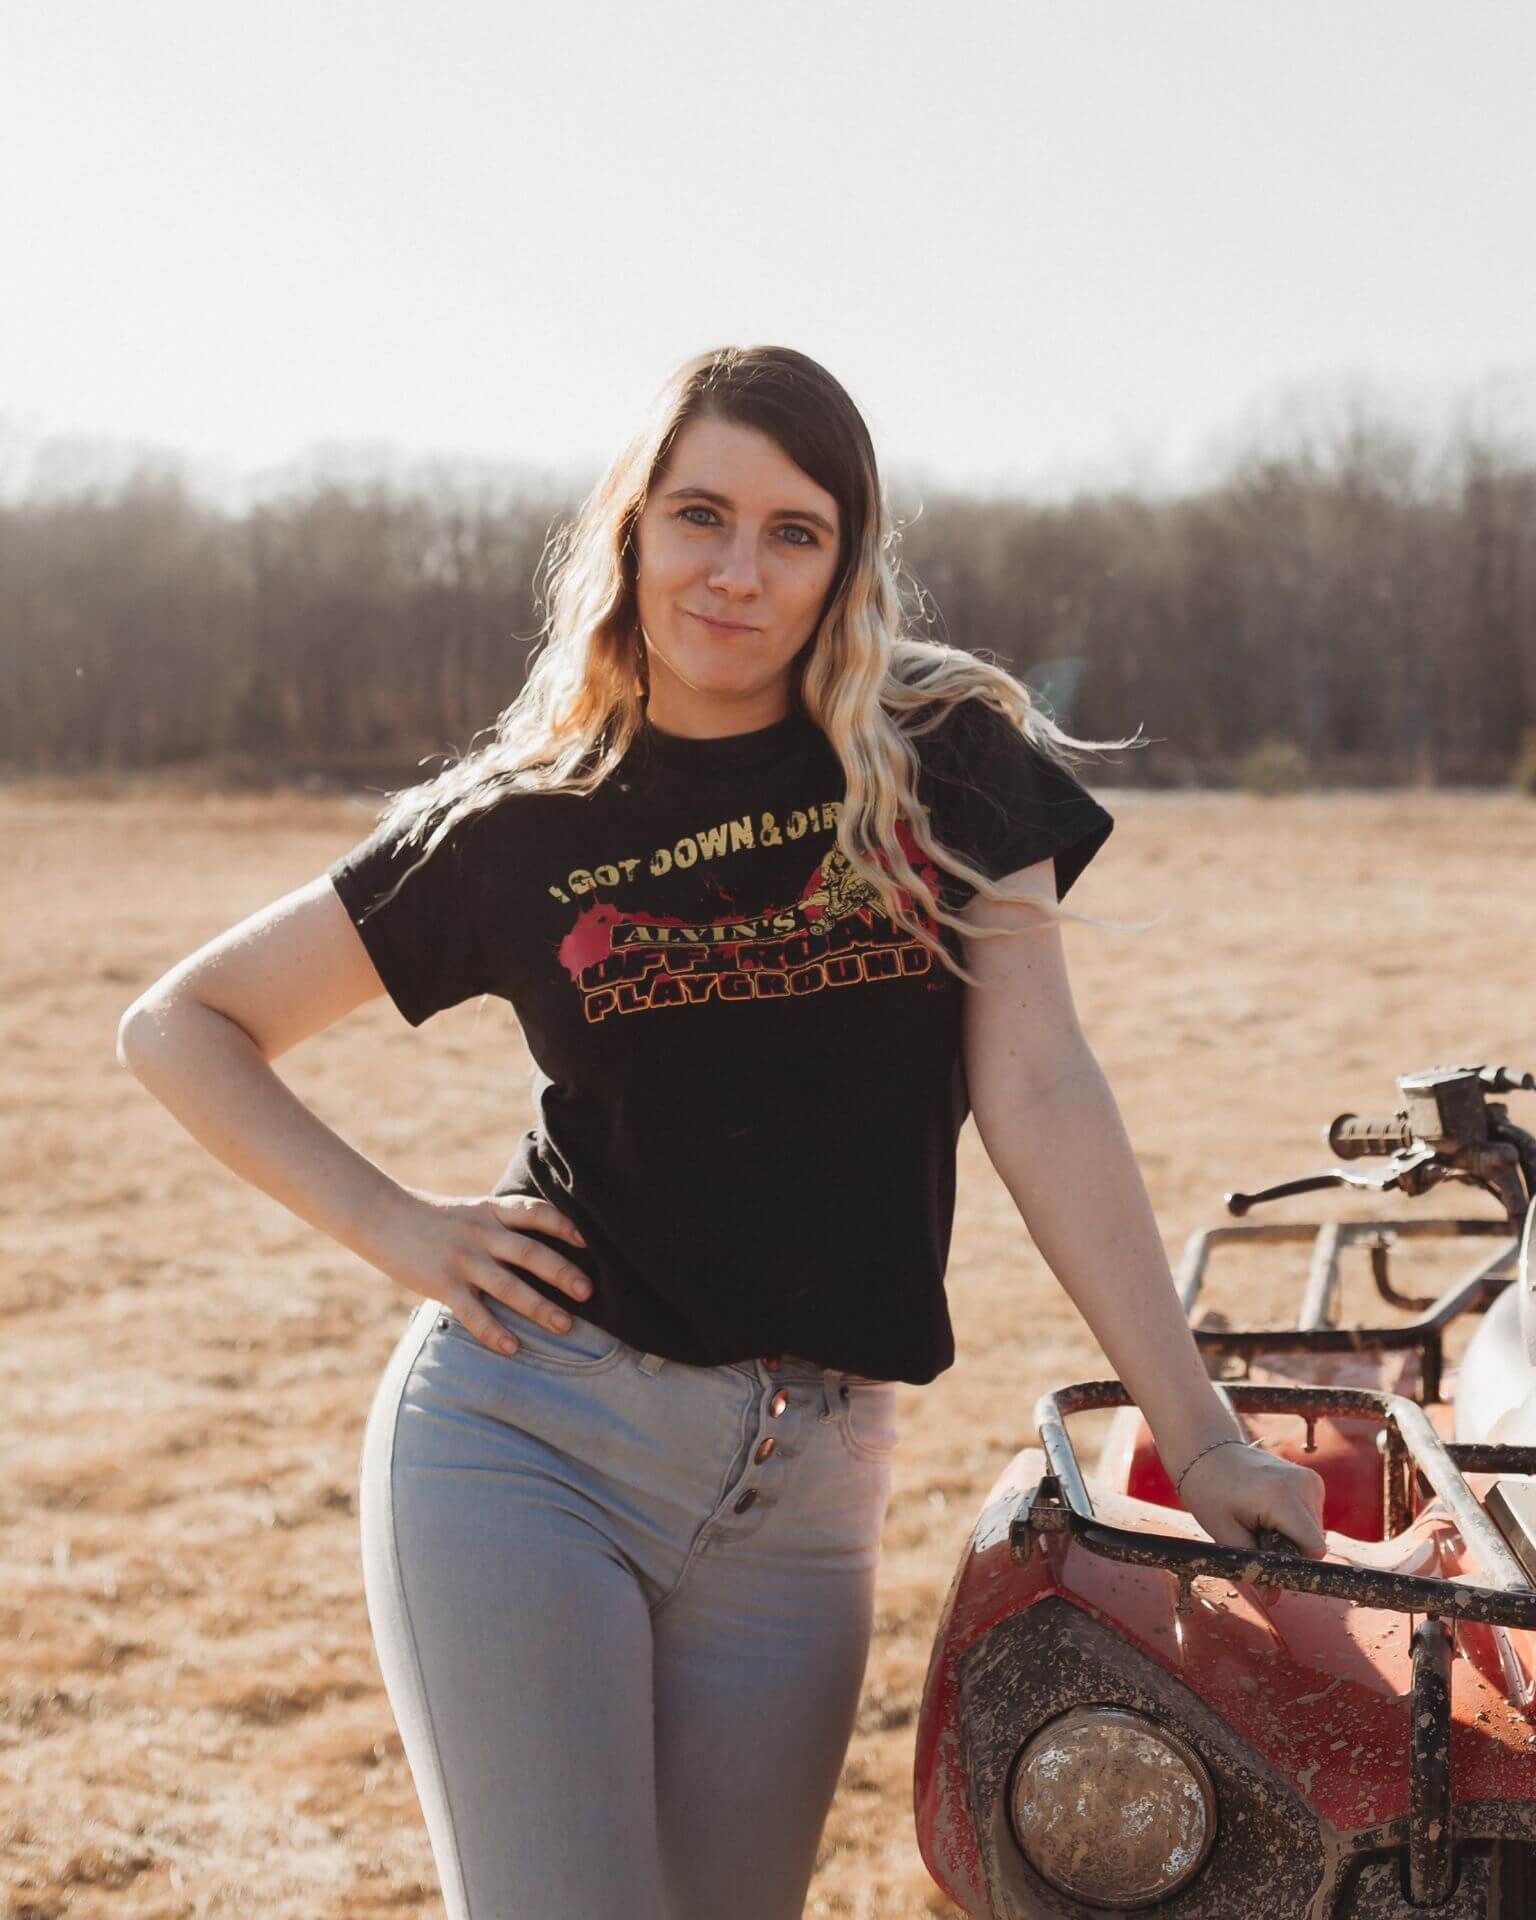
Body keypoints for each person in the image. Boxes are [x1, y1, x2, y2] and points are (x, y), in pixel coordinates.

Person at [117, 344, 1328, 1920]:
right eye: (701, 515)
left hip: (811, 1486)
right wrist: (403, 1230)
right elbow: (183, 1027)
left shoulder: (943, 761)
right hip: (530, 1447)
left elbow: (1041, 1094)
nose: (738, 571)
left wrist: (1208, 1433)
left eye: (793, 531)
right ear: (631, 529)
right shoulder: (525, 820)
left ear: (845, 561)